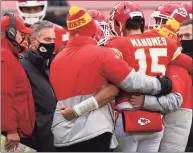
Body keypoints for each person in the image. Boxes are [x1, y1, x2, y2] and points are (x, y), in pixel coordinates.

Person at [50, 6, 172, 152]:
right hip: (94, 131)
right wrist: (159, 85)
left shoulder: (56, 60)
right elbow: (130, 81)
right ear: (92, 29)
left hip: (63, 133)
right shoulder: (101, 54)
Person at [19, 20, 58, 152]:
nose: (52, 43)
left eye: (53, 39)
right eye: (47, 39)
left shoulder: (54, 64)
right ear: (34, 40)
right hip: (33, 140)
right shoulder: (21, 66)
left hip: (55, 137)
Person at [1, 12, 35, 152]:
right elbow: (3, 95)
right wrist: (10, 130)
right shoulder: (4, 57)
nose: (24, 38)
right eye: (22, 33)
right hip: (9, 136)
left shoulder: (10, 55)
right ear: (11, 33)